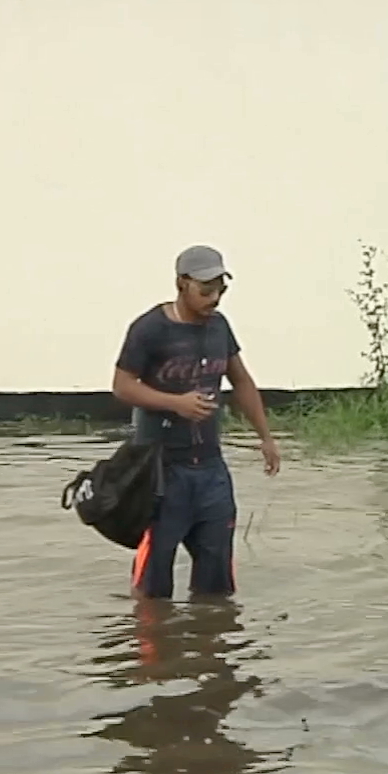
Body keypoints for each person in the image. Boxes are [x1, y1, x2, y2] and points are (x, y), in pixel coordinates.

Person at [110, 245, 281, 599]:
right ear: (181, 284)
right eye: (206, 290)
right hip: (160, 470)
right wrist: (176, 404)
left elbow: (242, 381)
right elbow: (122, 386)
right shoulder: (150, 329)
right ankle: (155, 648)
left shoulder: (219, 328)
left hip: (210, 469)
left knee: (216, 585)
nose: (214, 298)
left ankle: (210, 646)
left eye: (221, 289)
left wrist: (266, 437)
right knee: (154, 586)